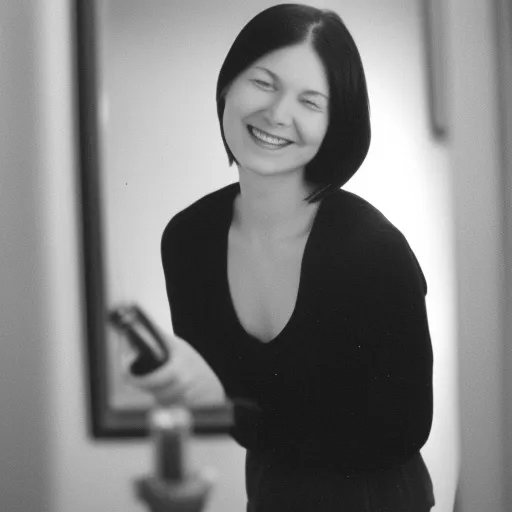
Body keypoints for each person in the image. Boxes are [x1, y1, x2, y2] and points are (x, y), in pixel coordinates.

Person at [125, 4, 436, 511]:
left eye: (310, 101)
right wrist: (194, 392)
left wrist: (224, 403)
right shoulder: (187, 240)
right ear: (228, 85)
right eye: (264, 83)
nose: (277, 114)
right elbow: (236, 417)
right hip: (272, 495)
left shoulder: (374, 251)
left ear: (337, 122)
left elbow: (400, 433)